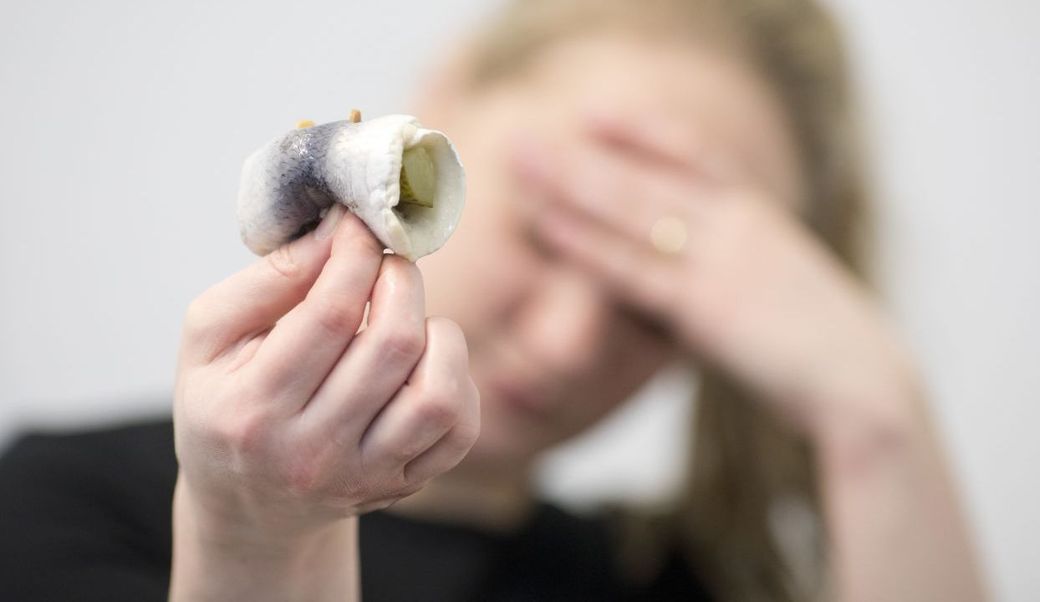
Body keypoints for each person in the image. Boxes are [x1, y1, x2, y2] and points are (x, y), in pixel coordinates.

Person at [0, 0, 987, 600]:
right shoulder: (63, 506)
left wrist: (876, 414)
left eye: (658, 306)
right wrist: (256, 537)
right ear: (446, 95)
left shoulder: (668, 584)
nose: (564, 344)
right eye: (556, 225)